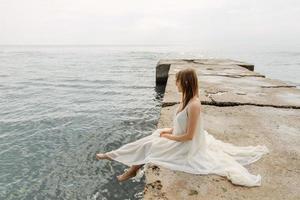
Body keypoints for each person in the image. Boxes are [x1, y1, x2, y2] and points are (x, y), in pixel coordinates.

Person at [96, 68, 269, 186]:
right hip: (178, 138)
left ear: (185, 82)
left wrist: (169, 137)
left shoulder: (194, 104)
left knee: (151, 144)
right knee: (152, 137)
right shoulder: (184, 98)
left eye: (177, 81)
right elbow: (179, 126)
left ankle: (125, 164)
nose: (175, 84)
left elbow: (189, 136)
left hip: (185, 146)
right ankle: (122, 161)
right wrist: (168, 131)